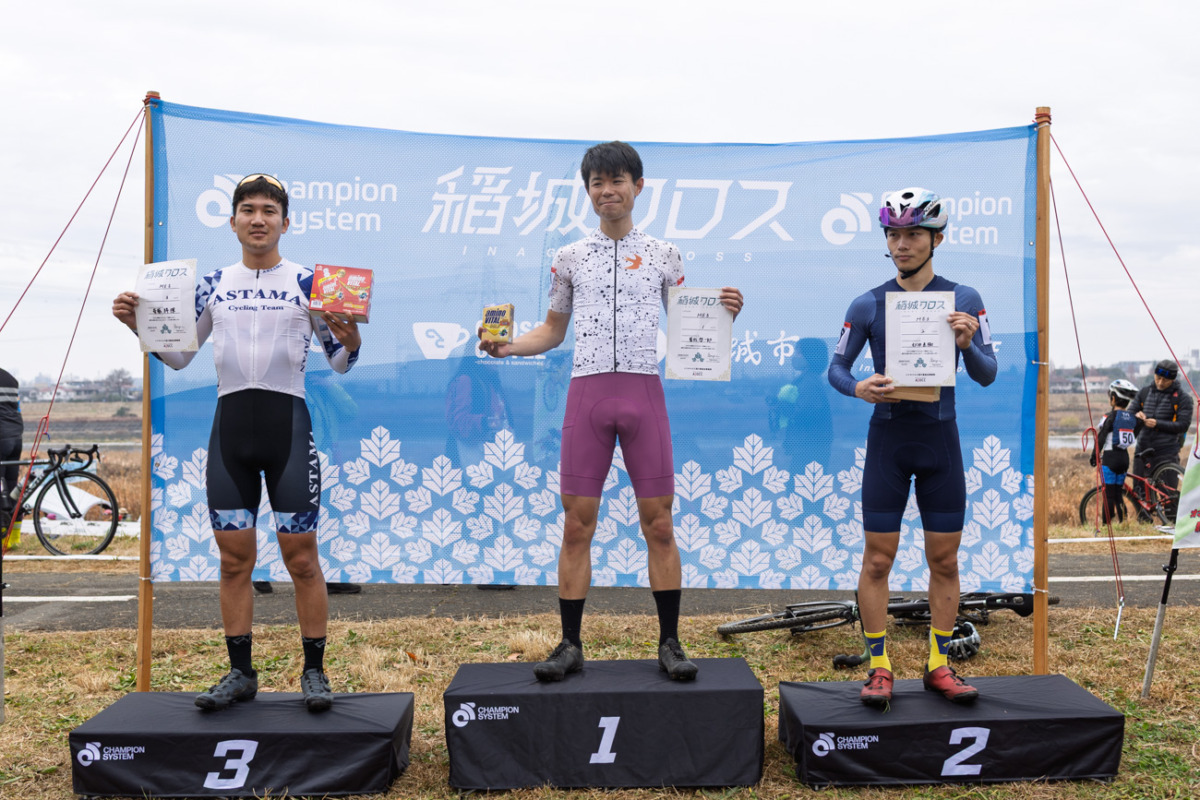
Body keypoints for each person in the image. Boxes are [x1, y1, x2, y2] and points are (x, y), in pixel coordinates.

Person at [478, 141, 744, 682]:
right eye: (597, 183)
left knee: (660, 524)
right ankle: (570, 644)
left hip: (644, 393)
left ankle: (670, 643)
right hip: (588, 394)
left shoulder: (666, 254)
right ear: (588, 191)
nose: (607, 191)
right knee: (577, 525)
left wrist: (724, 316)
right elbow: (552, 330)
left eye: (617, 180)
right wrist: (507, 348)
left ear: (637, 186)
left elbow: (687, 327)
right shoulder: (570, 257)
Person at [112, 173, 362, 712]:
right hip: (230, 436)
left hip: (288, 430)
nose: (258, 219)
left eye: (269, 210)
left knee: (302, 559)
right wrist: (139, 326)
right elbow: (181, 356)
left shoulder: (311, 283)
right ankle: (240, 672)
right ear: (232, 222)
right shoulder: (211, 284)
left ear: (285, 222)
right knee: (233, 561)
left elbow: (340, 362)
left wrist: (352, 339)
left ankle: (314, 672)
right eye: (248, 210)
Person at [827, 187, 997, 707]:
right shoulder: (868, 302)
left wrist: (967, 345)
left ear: (936, 239)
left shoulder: (963, 299)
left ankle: (938, 665)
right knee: (878, 560)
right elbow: (837, 368)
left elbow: (988, 373)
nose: (902, 244)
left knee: (944, 560)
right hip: (889, 441)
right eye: (893, 235)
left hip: (940, 440)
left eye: (914, 234)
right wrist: (858, 387)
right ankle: (879, 667)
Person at [1128, 359, 1194, 501]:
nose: (1160, 382)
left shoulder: (1183, 398)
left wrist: (1158, 424)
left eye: (1165, 380)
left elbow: (1183, 425)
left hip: (1166, 452)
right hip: (1142, 450)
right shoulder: (1144, 393)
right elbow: (1129, 413)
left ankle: (1169, 514)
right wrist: (1136, 416)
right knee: (1139, 494)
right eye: (1158, 378)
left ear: (1173, 379)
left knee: (1168, 495)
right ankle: (1143, 515)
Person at [1089, 380, 1140, 523]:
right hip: (1124, 459)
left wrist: (1094, 455)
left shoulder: (1109, 417)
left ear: (1113, 398)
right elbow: (1135, 433)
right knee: (1118, 494)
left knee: (1108, 495)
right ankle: (1123, 523)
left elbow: (1101, 437)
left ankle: (1107, 525)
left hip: (1110, 459)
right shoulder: (1132, 418)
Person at [0, 368, 22, 549]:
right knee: (12, 485)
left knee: (1, 488)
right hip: (16, 437)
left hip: (1, 436)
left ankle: (2, 537)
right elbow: (17, 407)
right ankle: (14, 539)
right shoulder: (11, 379)